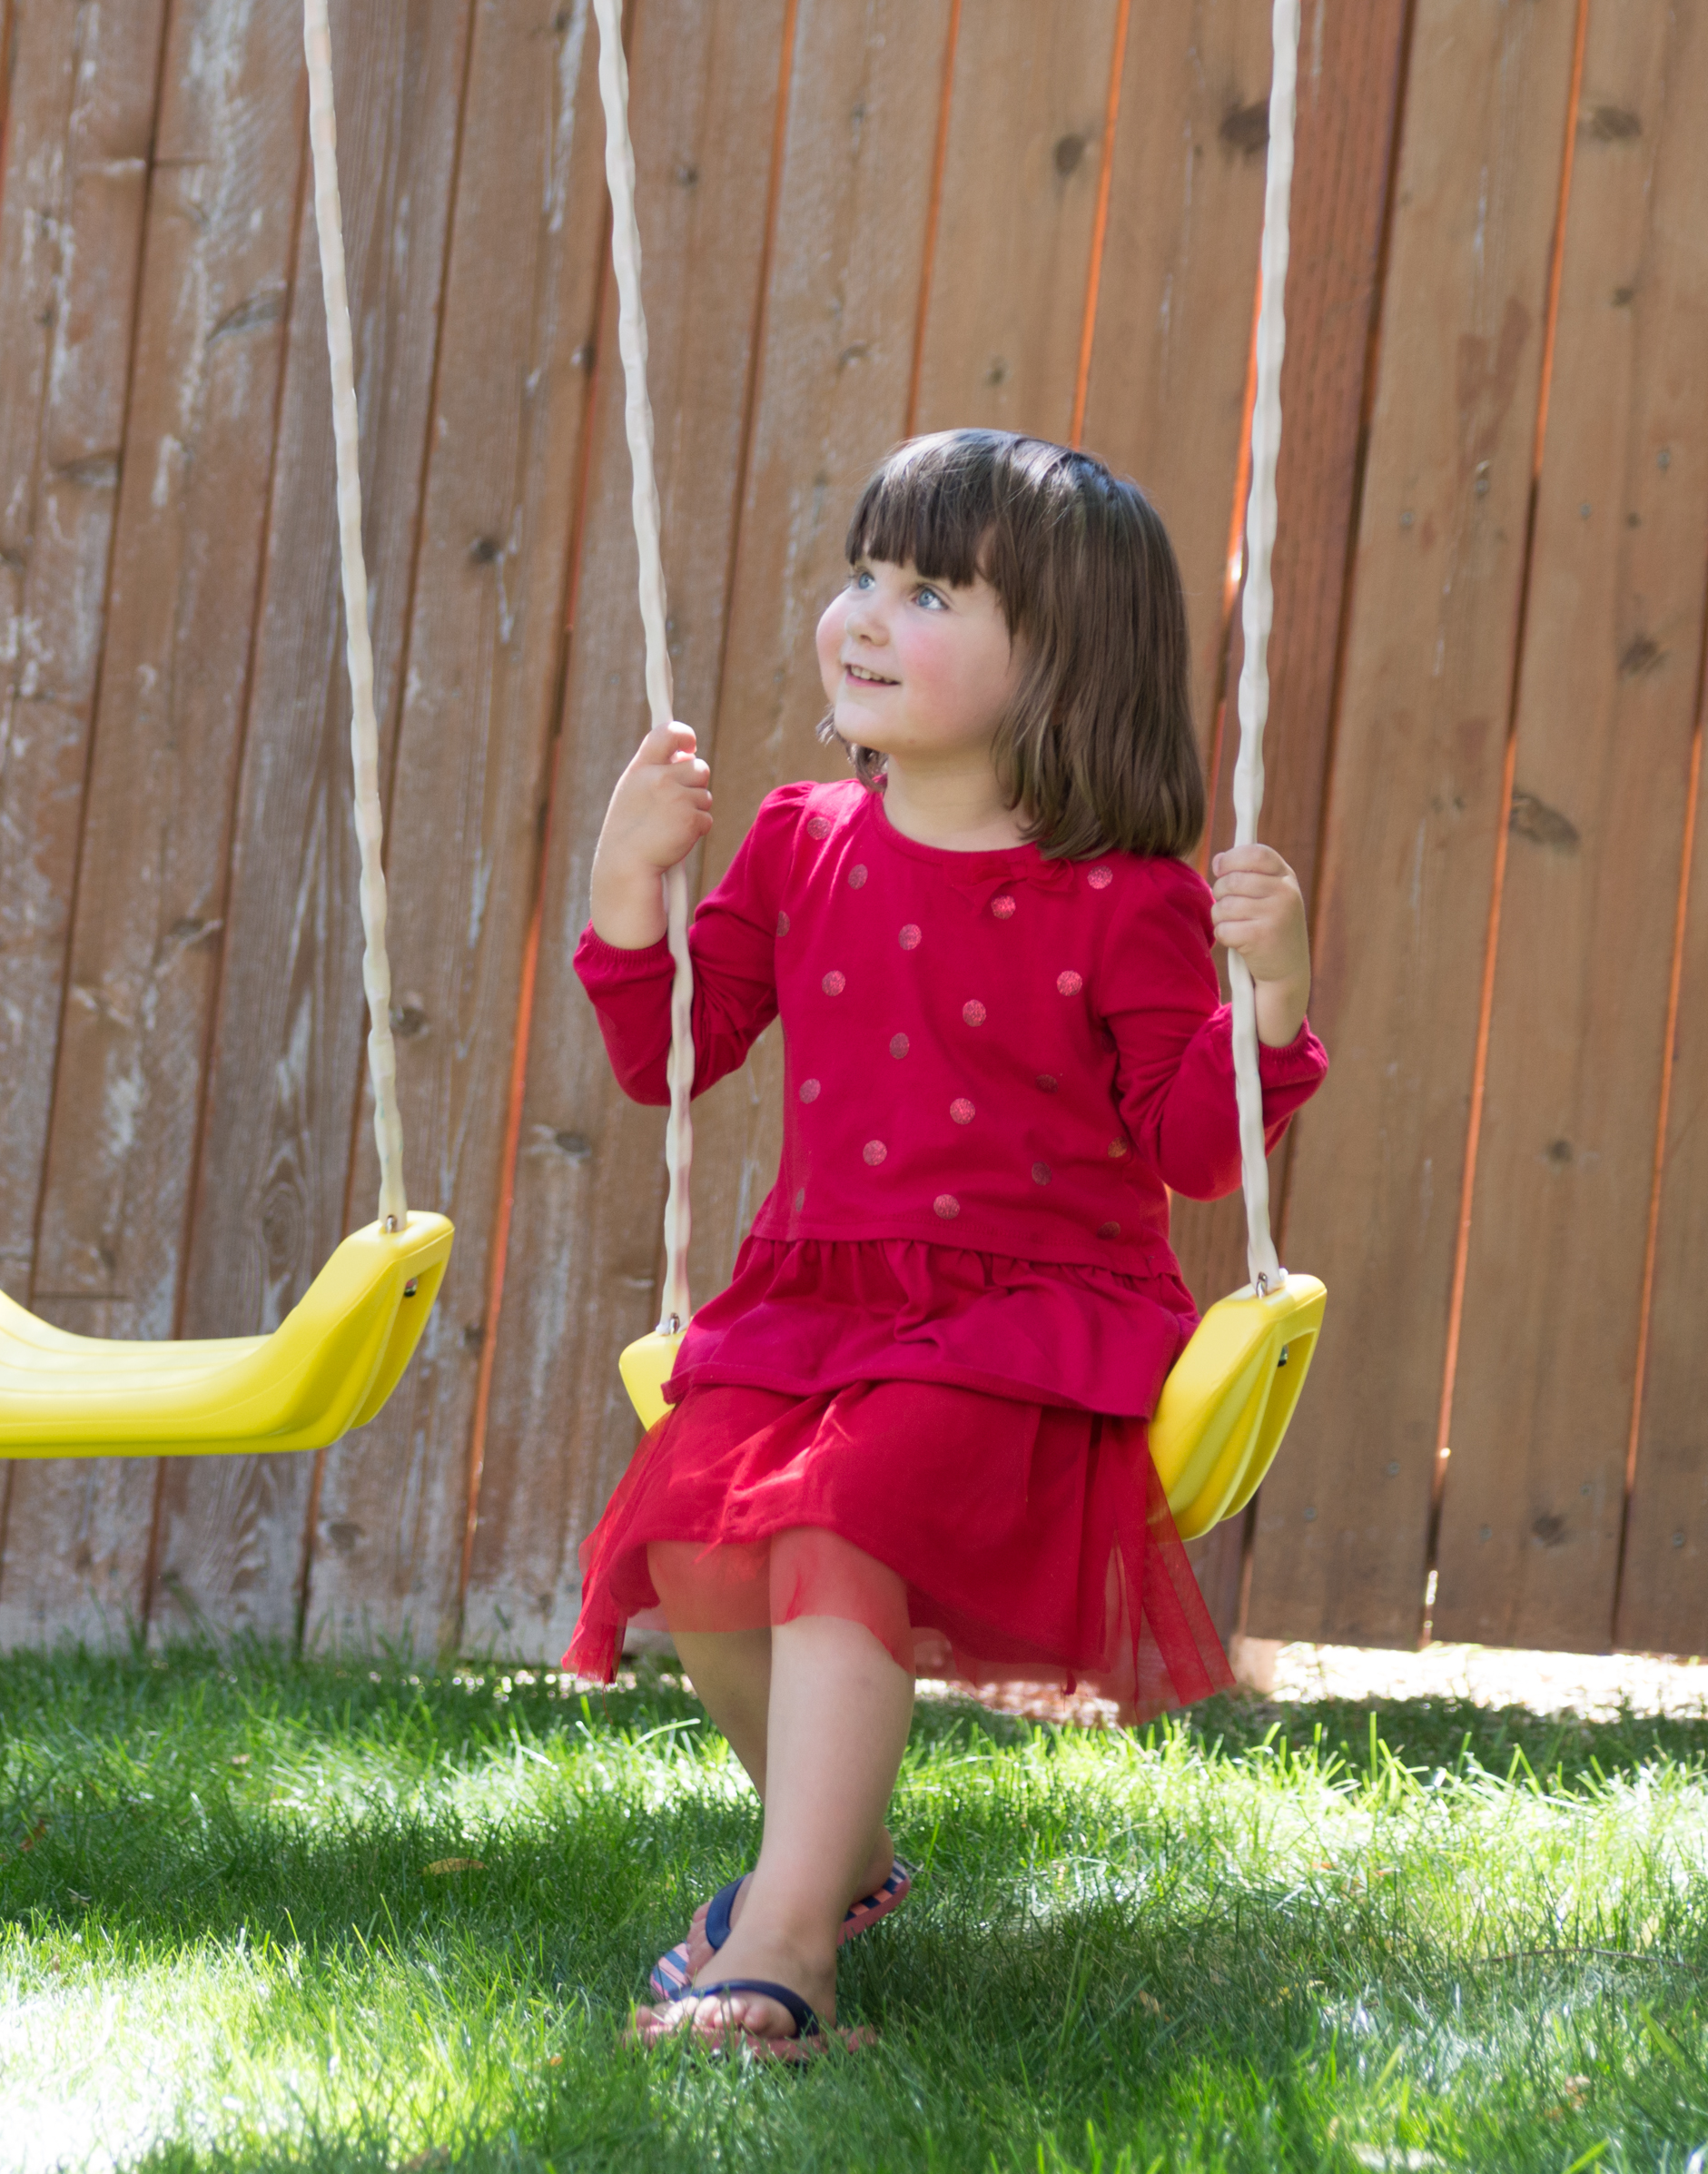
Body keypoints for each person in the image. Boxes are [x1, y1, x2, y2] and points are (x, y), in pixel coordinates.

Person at [564, 429, 1328, 2058]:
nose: (864, 614)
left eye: (927, 592)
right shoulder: (796, 839)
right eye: (865, 573)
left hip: (1031, 1324)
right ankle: (840, 1859)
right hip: (815, 1303)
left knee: (836, 1512)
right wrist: (628, 883)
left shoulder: (1122, 898)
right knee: (697, 1541)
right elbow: (671, 1055)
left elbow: (1195, 1149)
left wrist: (1269, 1001)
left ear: (1060, 660)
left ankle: (784, 1948)